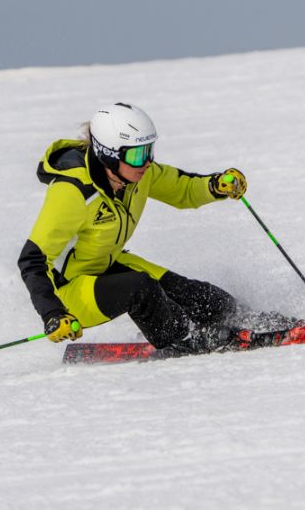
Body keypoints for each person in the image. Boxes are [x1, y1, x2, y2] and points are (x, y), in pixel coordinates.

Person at [18, 102, 255, 355]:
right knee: (140, 289)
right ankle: (185, 339)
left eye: (148, 150)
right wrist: (53, 313)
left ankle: (253, 322)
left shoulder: (136, 174)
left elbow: (182, 189)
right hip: (68, 292)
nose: (146, 161)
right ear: (107, 153)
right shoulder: (72, 192)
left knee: (197, 295)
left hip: (105, 265)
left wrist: (215, 186)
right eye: (136, 154)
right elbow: (32, 260)